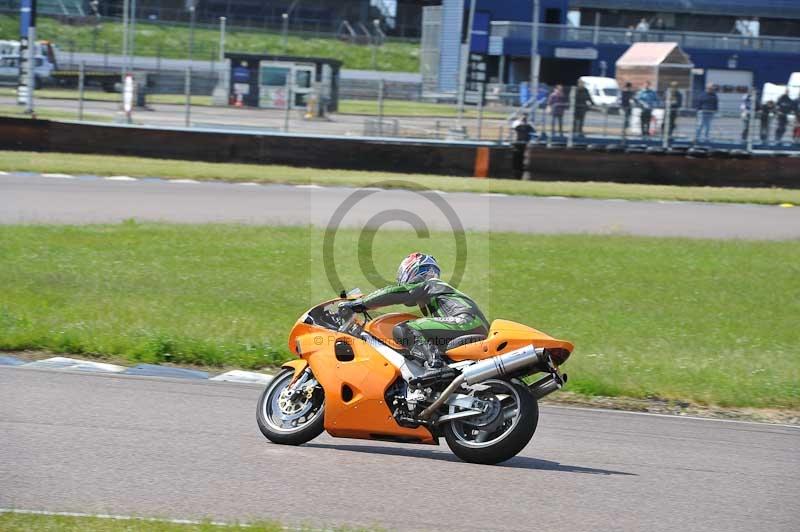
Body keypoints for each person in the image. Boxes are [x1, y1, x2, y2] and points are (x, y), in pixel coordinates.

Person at [340, 253, 489, 382]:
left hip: (466, 321)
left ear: (412, 271)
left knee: (406, 329)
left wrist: (360, 304)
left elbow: (397, 292)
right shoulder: (435, 295)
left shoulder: (430, 283)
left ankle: (436, 366)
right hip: (471, 325)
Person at [511, 114, 534, 178]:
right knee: (521, 158)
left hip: (519, 143)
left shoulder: (519, 126)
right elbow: (533, 132)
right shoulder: (528, 126)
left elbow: (513, 130)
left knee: (518, 158)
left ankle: (517, 171)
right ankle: (519, 171)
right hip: (522, 144)